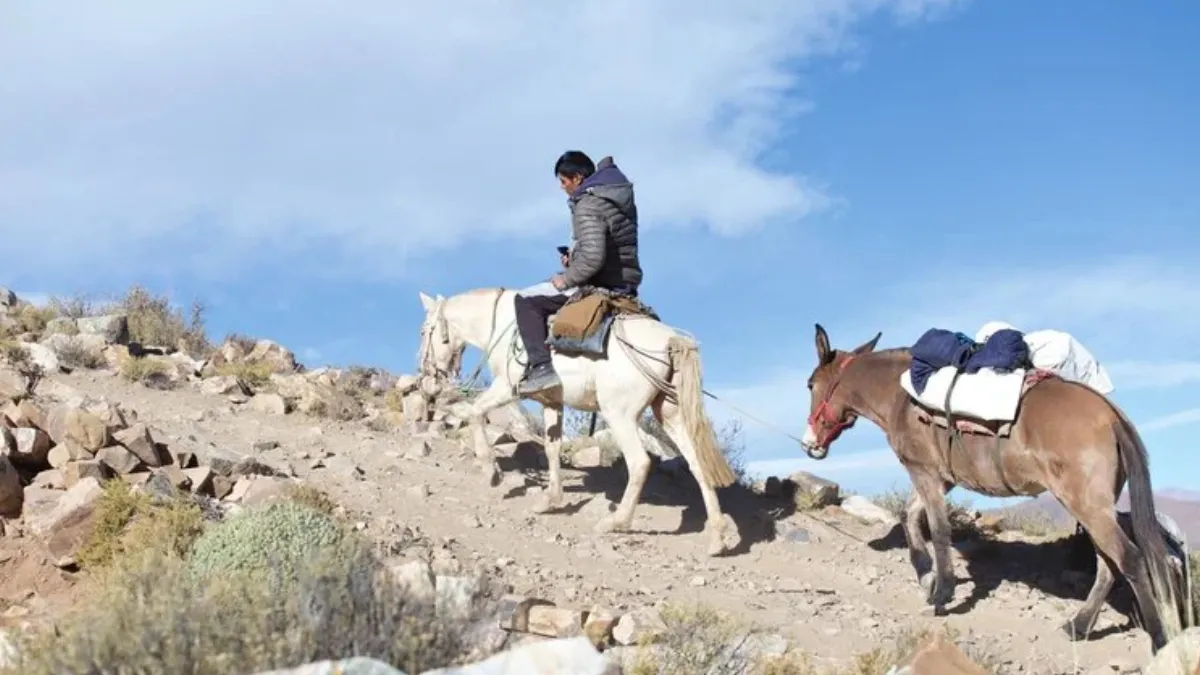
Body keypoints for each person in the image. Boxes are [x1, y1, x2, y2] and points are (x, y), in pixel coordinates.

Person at [513, 150, 643, 395]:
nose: (563, 188)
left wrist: (566, 279)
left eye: (564, 181)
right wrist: (573, 259)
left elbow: (594, 257)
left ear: (578, 178)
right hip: (625, 279)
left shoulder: (588, 203)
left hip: (602, 283)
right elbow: (607, 247)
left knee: (525, 300)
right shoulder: (614, 196)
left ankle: (541, 369)